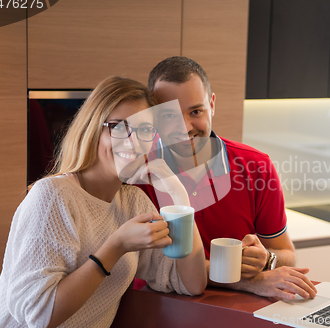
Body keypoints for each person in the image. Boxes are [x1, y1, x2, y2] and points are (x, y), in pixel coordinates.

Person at [0, 76, 207, 328]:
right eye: (118, 126)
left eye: (144, 130)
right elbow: (40, 314)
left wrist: (179, 195)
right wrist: (116, 246)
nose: (133, 141)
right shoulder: (53, 196)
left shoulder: (133, 203)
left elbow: (190, 283)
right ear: (92, 130)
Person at [135, 56, 317, 300]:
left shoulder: (257, 166)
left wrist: (266, 259)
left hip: (236, 311)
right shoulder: (135, 175)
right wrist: (243, 280)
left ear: (212, 105)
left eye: (196, 111)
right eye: (169, 116)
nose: (185, 127)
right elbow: (145, 265)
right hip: (154, 309)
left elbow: (286, 252)